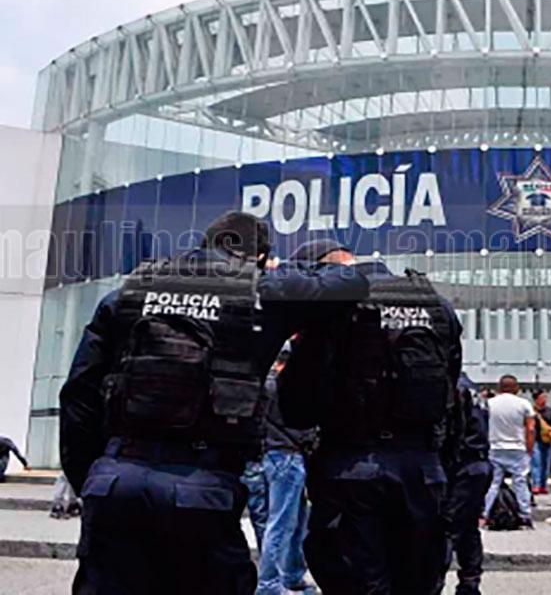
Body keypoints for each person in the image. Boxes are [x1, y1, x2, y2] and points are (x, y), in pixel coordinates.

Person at [58, 212, 369, 594]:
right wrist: (284, 270)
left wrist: (93, 478)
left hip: (116, 479)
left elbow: (78, 397)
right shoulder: (261, 292)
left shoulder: (132, 291)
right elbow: (350, 281)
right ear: (259, 257)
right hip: (203, 486)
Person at [277, 240, 462, 594]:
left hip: (351, 466)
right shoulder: (435, 304)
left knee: (356, 579)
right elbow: (452, 393)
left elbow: (297, 405)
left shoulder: (333, 306)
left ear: (323, 270)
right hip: (422, 468)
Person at [255, 344, 318, 595]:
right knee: (282, 524)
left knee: (295, 521)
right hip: (288, 456)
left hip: (274, 455)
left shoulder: (264, 384)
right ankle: (269, 582)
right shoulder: (283, 387)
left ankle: (292, 574)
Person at [443, 373, 493, 595]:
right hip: (477, 463)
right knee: (468, 528)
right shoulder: (471, 387)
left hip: (461, 463)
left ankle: (434, 582)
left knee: (446, 528)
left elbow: (451, 431)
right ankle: (470, 583)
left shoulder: (453, 386)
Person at [482, 375, 536, 528]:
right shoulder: (524, 404)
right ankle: (525, 515)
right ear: (516, 388)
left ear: (499, 387)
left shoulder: (490, 404)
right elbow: (531, 428)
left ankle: (485, 514)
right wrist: (529, 448)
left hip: (495, 447)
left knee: (493, 483)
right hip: (517, 448)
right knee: (520, 482)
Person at [531, 389, 551, 495]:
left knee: (546, 464)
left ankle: (543, 485)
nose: (544, 399)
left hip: (548, 440)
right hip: (536, 439)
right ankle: (536, 485)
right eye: (542, 397)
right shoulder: (531, 412)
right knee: (536, 463)